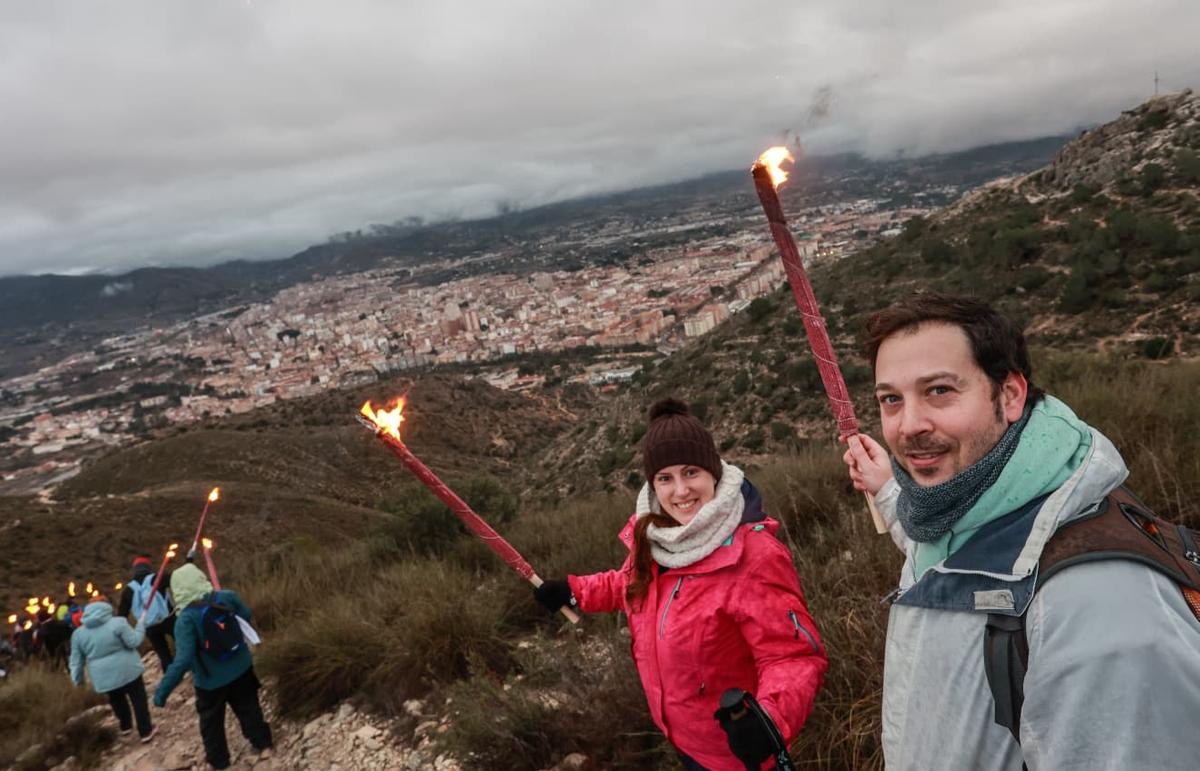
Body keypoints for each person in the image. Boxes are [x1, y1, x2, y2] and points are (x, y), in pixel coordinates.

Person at [841, 293, 1200, 770]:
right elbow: (948, 554)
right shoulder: (984, 503)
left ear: (1009, 395)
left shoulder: (1098, 610)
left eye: (939, 391)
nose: (908, 426)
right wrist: (889, 491)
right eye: (891, 399)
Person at [534, 398, 827, 770]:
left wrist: (769, 718)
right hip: (685, 740)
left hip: (739, 755)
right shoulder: (656, 537)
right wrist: (574, 592)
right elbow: (630, 585)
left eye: (691, 472)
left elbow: (792, 655)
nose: (681, 491)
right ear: (653, 485)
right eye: (665, 478)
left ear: (713, 473)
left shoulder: (753, 556)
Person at [154, 563, 273, 770]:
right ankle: (263, 744)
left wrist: (162, 692)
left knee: (212, 724)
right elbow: (244, 614)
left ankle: (219, 762)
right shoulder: (226, 597)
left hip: (210, 682)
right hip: (242, 666)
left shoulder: (185, 620)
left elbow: (182, 660)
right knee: (249, 707)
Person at [69, 594, 157, 743]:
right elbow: (134, 642)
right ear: (106, 606)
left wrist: (78, 681)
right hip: (128, 669)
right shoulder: (118, 623)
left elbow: (76, 661)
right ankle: (145, 731)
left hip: (103, 676)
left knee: (116, 700)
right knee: (138, 699)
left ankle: (125, 726)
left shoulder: (78, 634)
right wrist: (140, 626)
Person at [118, 555, 176, 672]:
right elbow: (178, 581)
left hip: (148, 626)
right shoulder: (157, 578)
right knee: (182, 643)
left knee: (163, 653)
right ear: (148, 567)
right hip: (168, 620)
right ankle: (189, 667)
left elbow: (121, 615)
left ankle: (171, 676)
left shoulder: (128, 590)